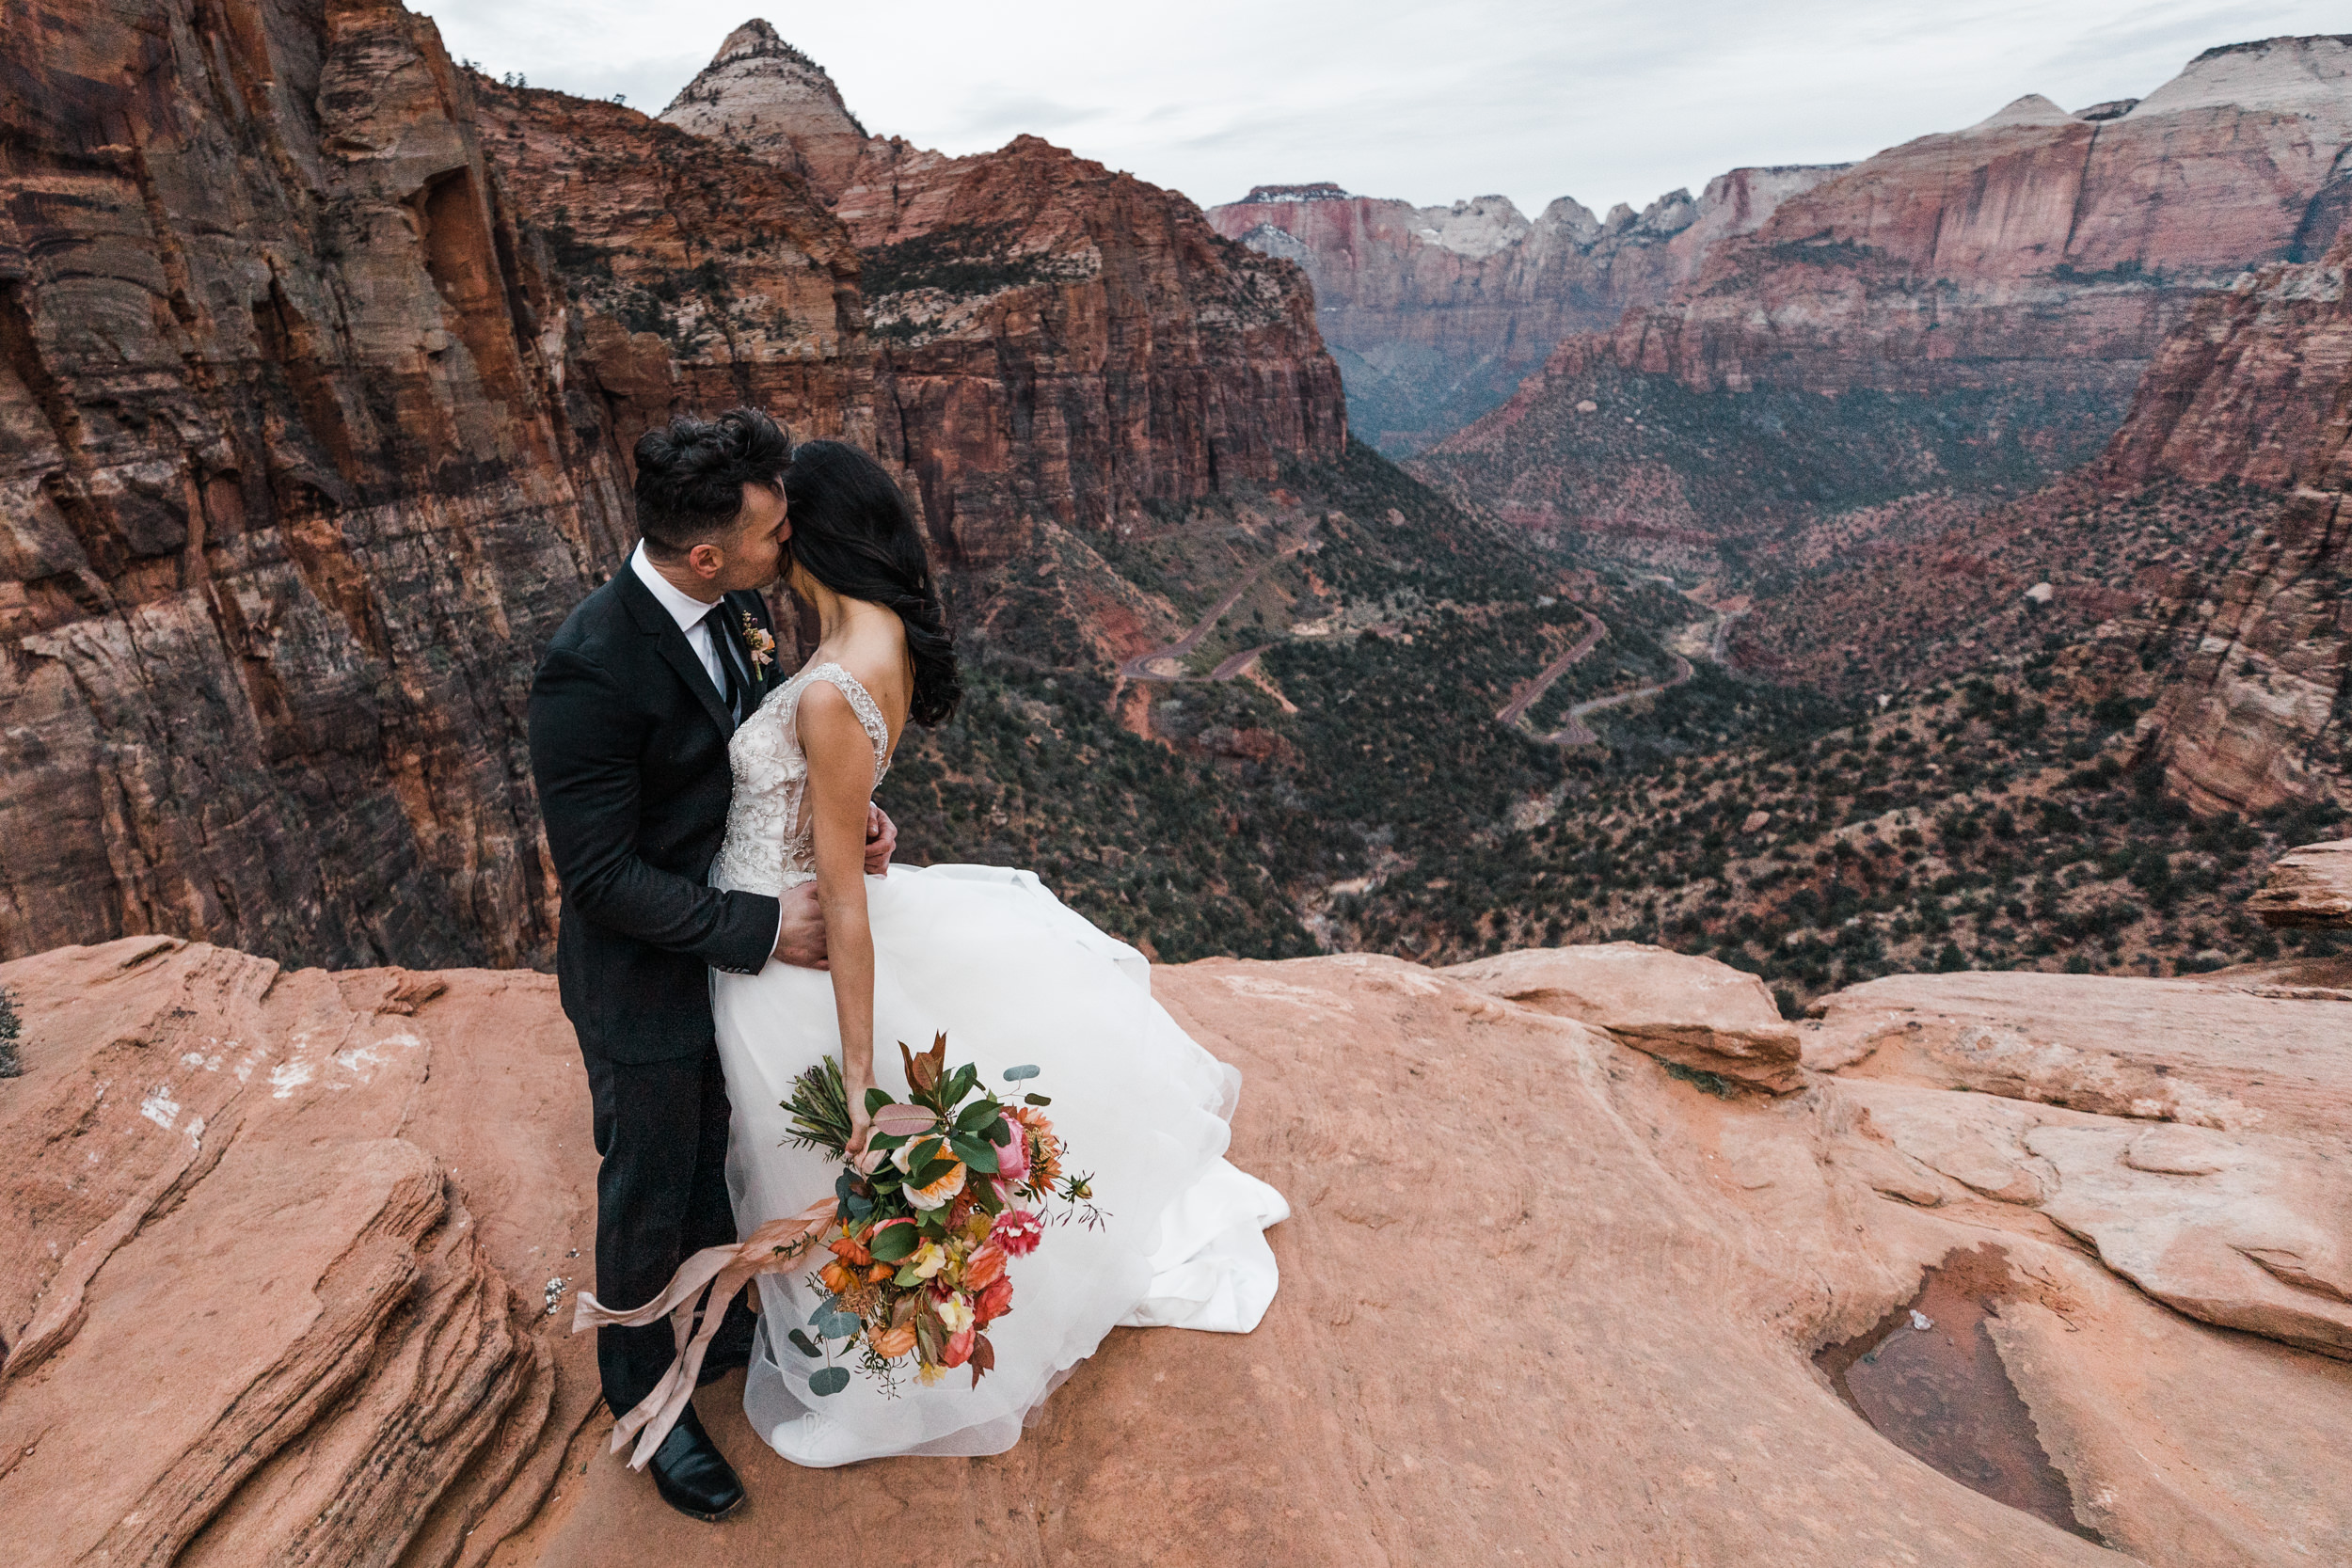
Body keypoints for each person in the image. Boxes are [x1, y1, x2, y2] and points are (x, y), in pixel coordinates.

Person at [701, 437, 1287, 1469]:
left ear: (817, 532)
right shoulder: (872, 636)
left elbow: (842, 899)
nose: (769, 538)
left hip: (787, 952)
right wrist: (852, 813)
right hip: (779, 905)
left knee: (818, 1163)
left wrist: (851, 1074)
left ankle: (884, 1386)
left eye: (784, 521)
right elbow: (829, 797)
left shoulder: (836, 681)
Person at [527, 408, 898, 1521]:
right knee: (647, 1185)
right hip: (643, 981)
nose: (790, 544)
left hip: (729, 964)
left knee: (712, 1162)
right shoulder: (588, 669)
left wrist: (849, 822)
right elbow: (598, 877)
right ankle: (647, 1405)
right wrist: (755, 928)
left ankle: (723, 1318)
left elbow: (764, 758)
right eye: (774, 531)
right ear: (706, 552)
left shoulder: (733, 610)